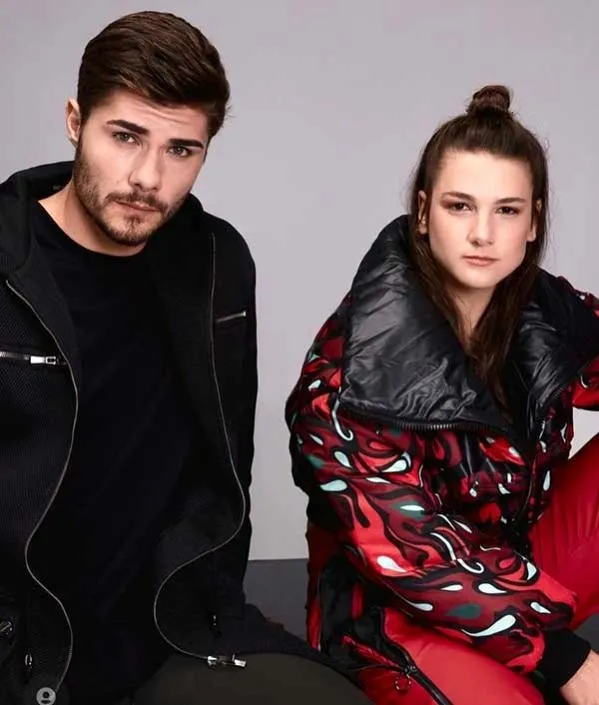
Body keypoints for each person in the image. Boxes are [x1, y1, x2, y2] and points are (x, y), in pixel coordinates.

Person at [0, 11, 373, 705]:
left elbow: (224, 464)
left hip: (170, 631)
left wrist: (213, 596)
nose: (148, 177)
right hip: (22, 648)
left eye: (181, 149)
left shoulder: (216, 263)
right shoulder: (9, 260)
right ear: (75, 121)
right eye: (125, 136)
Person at [286, 84, 599, 705]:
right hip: (395, 611)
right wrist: (568, 661)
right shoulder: (355, 367)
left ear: (533, 223)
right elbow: (414, 557)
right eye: (461, 207)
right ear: (425, 212)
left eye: (506, 210)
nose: (483, 233)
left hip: (514, 565)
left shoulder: (545, 310)